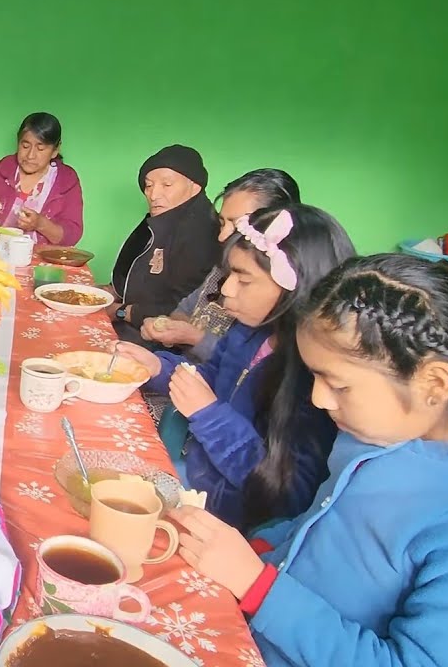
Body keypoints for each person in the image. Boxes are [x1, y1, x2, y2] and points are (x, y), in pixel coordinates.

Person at [170, 254, 448, 667]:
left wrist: (257, 584)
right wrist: (257, 550)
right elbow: (321, 520)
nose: (319, 399)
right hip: (245, 629)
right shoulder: (379, 432)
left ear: (435, 382)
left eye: (338, 385)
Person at [118, 205, 356, 529]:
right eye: (229, 274)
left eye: (243, 279)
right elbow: (213, 380)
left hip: (231, 527)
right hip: (192, 484)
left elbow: (289, 495)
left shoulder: (316, 379)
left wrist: (210, 417)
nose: (226, 289)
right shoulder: (248, 330)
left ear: (296, 287)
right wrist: (158, 367)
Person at [141, 168, 302, 363]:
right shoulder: (222, 268)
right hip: (179, 367)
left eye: (237, 224)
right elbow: (183, 309)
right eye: (222, 223)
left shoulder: (273, 294)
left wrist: (194, 337)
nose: (222, 236)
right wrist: (170, 327)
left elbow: (242, 366)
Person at [105, 144, 219, 346]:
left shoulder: (201, 231)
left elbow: (178, 308)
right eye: (148, 186)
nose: (154, 195)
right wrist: (105, 293)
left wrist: (121, 311)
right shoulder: (163, 218)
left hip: (159, 342)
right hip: (131, 323)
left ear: (195, 187)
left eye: (167, 185)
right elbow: (130, 273)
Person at [0, 112, 83, 246]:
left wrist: (40, 224)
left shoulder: (66, 181)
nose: (30, 155)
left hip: (41, 263)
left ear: (55, 150)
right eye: (25, 146)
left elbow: (71, 236)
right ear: (18, 142)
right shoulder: (0, 170)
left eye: (41, 149)